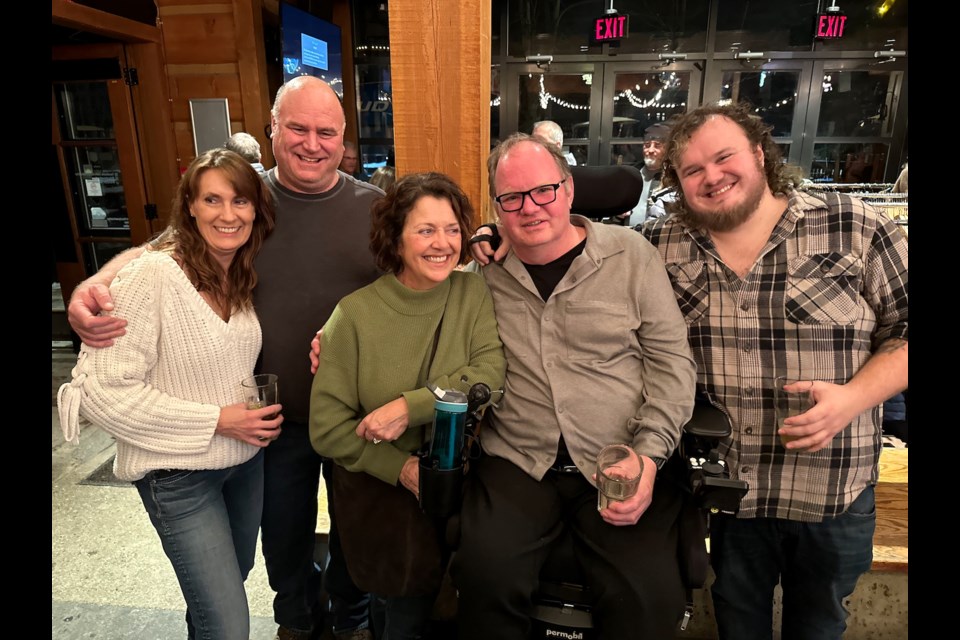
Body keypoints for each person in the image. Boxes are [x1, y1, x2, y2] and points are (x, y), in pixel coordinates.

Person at [66, 76, 380, 640]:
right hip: (267, 425)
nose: (312, 143)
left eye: (326, 132)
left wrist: (486, 238)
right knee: (282, 544)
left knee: (357, 541)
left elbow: (428, 268)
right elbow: (168, 245)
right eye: (298, 129)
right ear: (273, 131)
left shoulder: (375, 209)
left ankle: (350, 622)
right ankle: (296, 625)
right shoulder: (247, 197)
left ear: (343, 138)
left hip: (355, 417)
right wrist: (93, 283)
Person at [639, 103, 909, 639]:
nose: (711, 177)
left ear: (760, 154)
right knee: (738, 626)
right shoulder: (659, 245)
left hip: (832, 491)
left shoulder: (854, 225)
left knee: (820, 626)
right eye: (692, 170)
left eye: (724, 157)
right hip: (724, 496)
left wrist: (852, 399)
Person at [455, 132, 698, 638]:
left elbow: (673, 365)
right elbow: (414, 297)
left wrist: (649, 456)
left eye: (543, 190)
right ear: (497, 208)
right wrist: (340, 331)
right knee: (484, 580)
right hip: (519, 460)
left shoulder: (631, 257)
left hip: (619, 455)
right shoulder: (484, 273)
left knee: (646, 598)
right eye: (512, 198)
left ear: (567, 189)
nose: (530, 208)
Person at [57, 148, 282, 639]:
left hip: (245, 464)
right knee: (228, 625)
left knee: (217, 600)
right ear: (191, 207)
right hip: (178, 477)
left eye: (240, 201)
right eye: (213, 200)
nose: (228, 214)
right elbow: (99, 393)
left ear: (256, 211)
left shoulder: (238, 273)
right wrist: (219, 420)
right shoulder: (153, 275)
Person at [310, 172, 506, 639]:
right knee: (398, 610)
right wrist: (401, 469)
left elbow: (490, 374)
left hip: (458, 488)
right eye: (425, 230)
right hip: (386, 503)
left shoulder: (471, 293)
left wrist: (411, 406)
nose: (442, 243)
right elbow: (327, 427)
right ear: (395, 238)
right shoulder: (353, 315)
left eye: (453, 229)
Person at [625, 121, 670, 227]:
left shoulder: (672, 178)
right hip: (628, 235)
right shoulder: (631, 174)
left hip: (654, 239)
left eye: (657, 145)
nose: (650, 150)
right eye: (647, 145)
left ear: (667, 149)